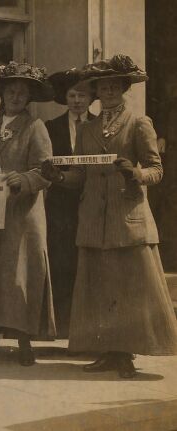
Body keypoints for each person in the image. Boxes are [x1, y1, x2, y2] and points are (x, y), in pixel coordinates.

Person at [41, 54, 177, 378]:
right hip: (93, 221)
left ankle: (125, 354)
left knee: (128, 289)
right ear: (96, 92)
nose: (110, 90)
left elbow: (157, 169)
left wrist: (137, 175)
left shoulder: (139, 123)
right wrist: (56, 176)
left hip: (127, 218)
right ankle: (108, 351)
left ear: (124, 88)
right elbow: (79, 176)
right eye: (104, 86)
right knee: (100, 288)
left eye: (116, 85)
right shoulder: (87, 129)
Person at [0, 61, 56, 366]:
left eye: (21, 93)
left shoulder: (36, 127)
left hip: (23, 213)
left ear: (28, 98)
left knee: (22, 275)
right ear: (2, 95)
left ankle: (25, 340)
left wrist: (23, 180)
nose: (15, 96)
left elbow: (47, 171)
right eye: (10, 91)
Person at [44, 68, 96, 338]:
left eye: (83, 95)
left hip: (93, 203)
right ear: (65, 98)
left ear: (91, 99)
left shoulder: (100, 126)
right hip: (61, 206)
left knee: (88, 265)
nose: (77, 101)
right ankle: (62, 326)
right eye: (73, 95)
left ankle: (86, 327)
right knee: (62, 262)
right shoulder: (51, 127)